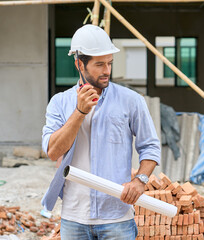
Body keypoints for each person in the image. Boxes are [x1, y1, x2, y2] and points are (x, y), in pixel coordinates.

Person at [41, 24, 161, 240]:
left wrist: (139, 181)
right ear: (79, 64)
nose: (107, 71)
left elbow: (150, 146)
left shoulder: (131, 101)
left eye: (109, 63)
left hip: (117, 218)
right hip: (74, 218)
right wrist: (79, 112)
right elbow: (52, 151)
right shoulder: (59, 103)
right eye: (99, 64)